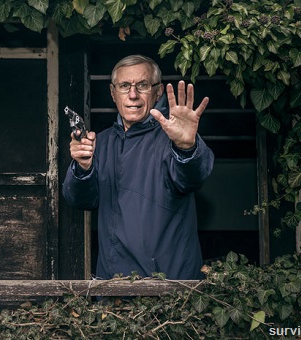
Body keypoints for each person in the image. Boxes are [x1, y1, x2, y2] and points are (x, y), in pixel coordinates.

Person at [62, 55, 214, 280]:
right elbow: (79, 200)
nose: (133, 95)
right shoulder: (99, 143)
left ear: (158, 91)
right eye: (124, 86)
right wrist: (82, 168)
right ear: (113, 93)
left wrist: (186, 147)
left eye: (142, 85)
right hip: (114, 284)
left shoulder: (172, 139)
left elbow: (193, 176)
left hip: (170, 286)